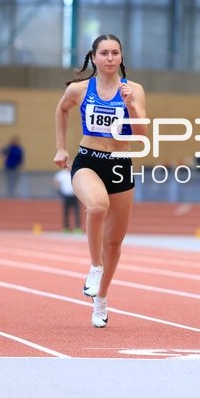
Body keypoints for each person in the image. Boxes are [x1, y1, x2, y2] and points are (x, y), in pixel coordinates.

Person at [53, 34, 147, 328]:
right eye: (104, 53)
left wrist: (131, 106)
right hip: (88, 160)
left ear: (121, 57)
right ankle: (95, 266)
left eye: (114, 53)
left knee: (115, 243)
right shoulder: (80, 90)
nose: (109, 58)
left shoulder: (134, 90)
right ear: (93, 57)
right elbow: (62, 109)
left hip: (120, 164)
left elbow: (142, 134)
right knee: (96, 206)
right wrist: (61, 147)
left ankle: (101, 299)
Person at [53, 168, 81, 232]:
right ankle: (66, 228)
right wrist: (59, 191)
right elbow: (55, 181)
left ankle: (77, 228)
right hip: (66, 196)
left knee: (77, 213)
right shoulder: (61, 174)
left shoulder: (75, 172)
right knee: (66, 212)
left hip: (75, 195)